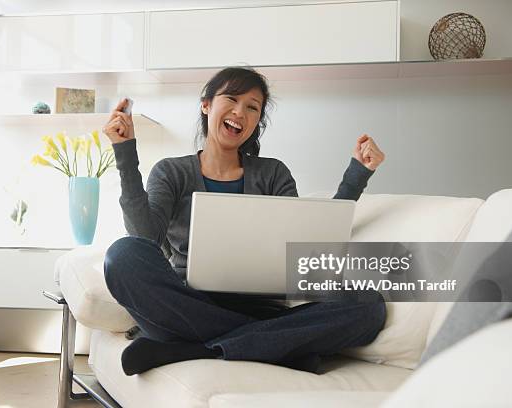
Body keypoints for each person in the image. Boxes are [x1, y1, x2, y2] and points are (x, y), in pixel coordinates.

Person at [102, 67, 387, 375]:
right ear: (206, 104)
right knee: (122, 255)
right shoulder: (171, 172)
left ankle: (198, 348)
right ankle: (268, 344)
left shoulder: (273, 174)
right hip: (188, 306)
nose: (240, 111)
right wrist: (124, 153)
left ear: (257, 122)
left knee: (368, 305)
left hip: (260, 310)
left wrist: (356, 177)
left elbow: (307, 247)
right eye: (232, 99)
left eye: (252, 107)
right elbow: (146, 237)